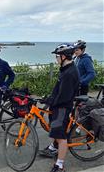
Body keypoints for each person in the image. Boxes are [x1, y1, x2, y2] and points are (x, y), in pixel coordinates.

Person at [39, 43, 80, 172]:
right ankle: (53, 147)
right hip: (58, 106)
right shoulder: (66, 69)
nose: (56, 59)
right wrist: (49, 98)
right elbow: (59, 91)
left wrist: (51, 101)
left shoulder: (69, 73)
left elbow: (64, 97)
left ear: (64, 57)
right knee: (55, 131)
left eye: (57, 56)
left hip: (62, 108)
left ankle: (60, 165)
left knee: (61, 136)